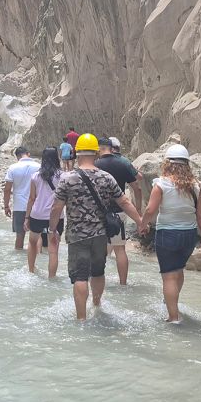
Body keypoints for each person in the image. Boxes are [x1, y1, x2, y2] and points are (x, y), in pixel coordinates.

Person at [50, 133, 143, 320]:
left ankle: (81, 318)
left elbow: (57, 207)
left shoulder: (67, 179)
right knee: (98, 272)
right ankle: (97, 306)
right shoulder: (106, 177)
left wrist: (53, 229)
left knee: (80, 277)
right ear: (96, 153)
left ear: (76, 153)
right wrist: (141, 222)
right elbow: (124, 202)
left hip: (77, 235)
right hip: (101, 235)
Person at [138, 144, 201, 324]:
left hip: (167, 234)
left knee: (169, 275)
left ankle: (173, 317)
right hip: (189, 235)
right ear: (187, 164)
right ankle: (173, 303)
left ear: (167, 163)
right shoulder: (196, 187)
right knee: (178, 270)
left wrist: (142, 224)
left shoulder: (161, 184)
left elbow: (150, 209)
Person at [94, 136, 143, 285]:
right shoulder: (122, 162)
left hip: (98, 213)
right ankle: (123, 283)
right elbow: (136, 187)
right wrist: (138, 209)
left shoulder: (95, 164)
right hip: (119, 212)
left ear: (99, 148)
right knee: (120, 249)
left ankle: (97, 280)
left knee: (97, 249)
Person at [24, 147, 64, 277]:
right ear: (56, 158)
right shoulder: (63, 176)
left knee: (32, 242)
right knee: (53, 250)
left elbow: (31, 198)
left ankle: (31, 271)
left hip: (37, 214)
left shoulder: (35, 176)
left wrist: (26, 217)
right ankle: (52, 277)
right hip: (56, 216)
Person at [4, 146, 40, 250]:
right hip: (35, 206)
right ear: (28, 153)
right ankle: (37, 260)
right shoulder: (39, 166)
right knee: (37, 236)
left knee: (20, 235)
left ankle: (18, 260)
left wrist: (6, 206)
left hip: (19, 206)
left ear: (17, 156)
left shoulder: (13, 167)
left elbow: (7, 189)